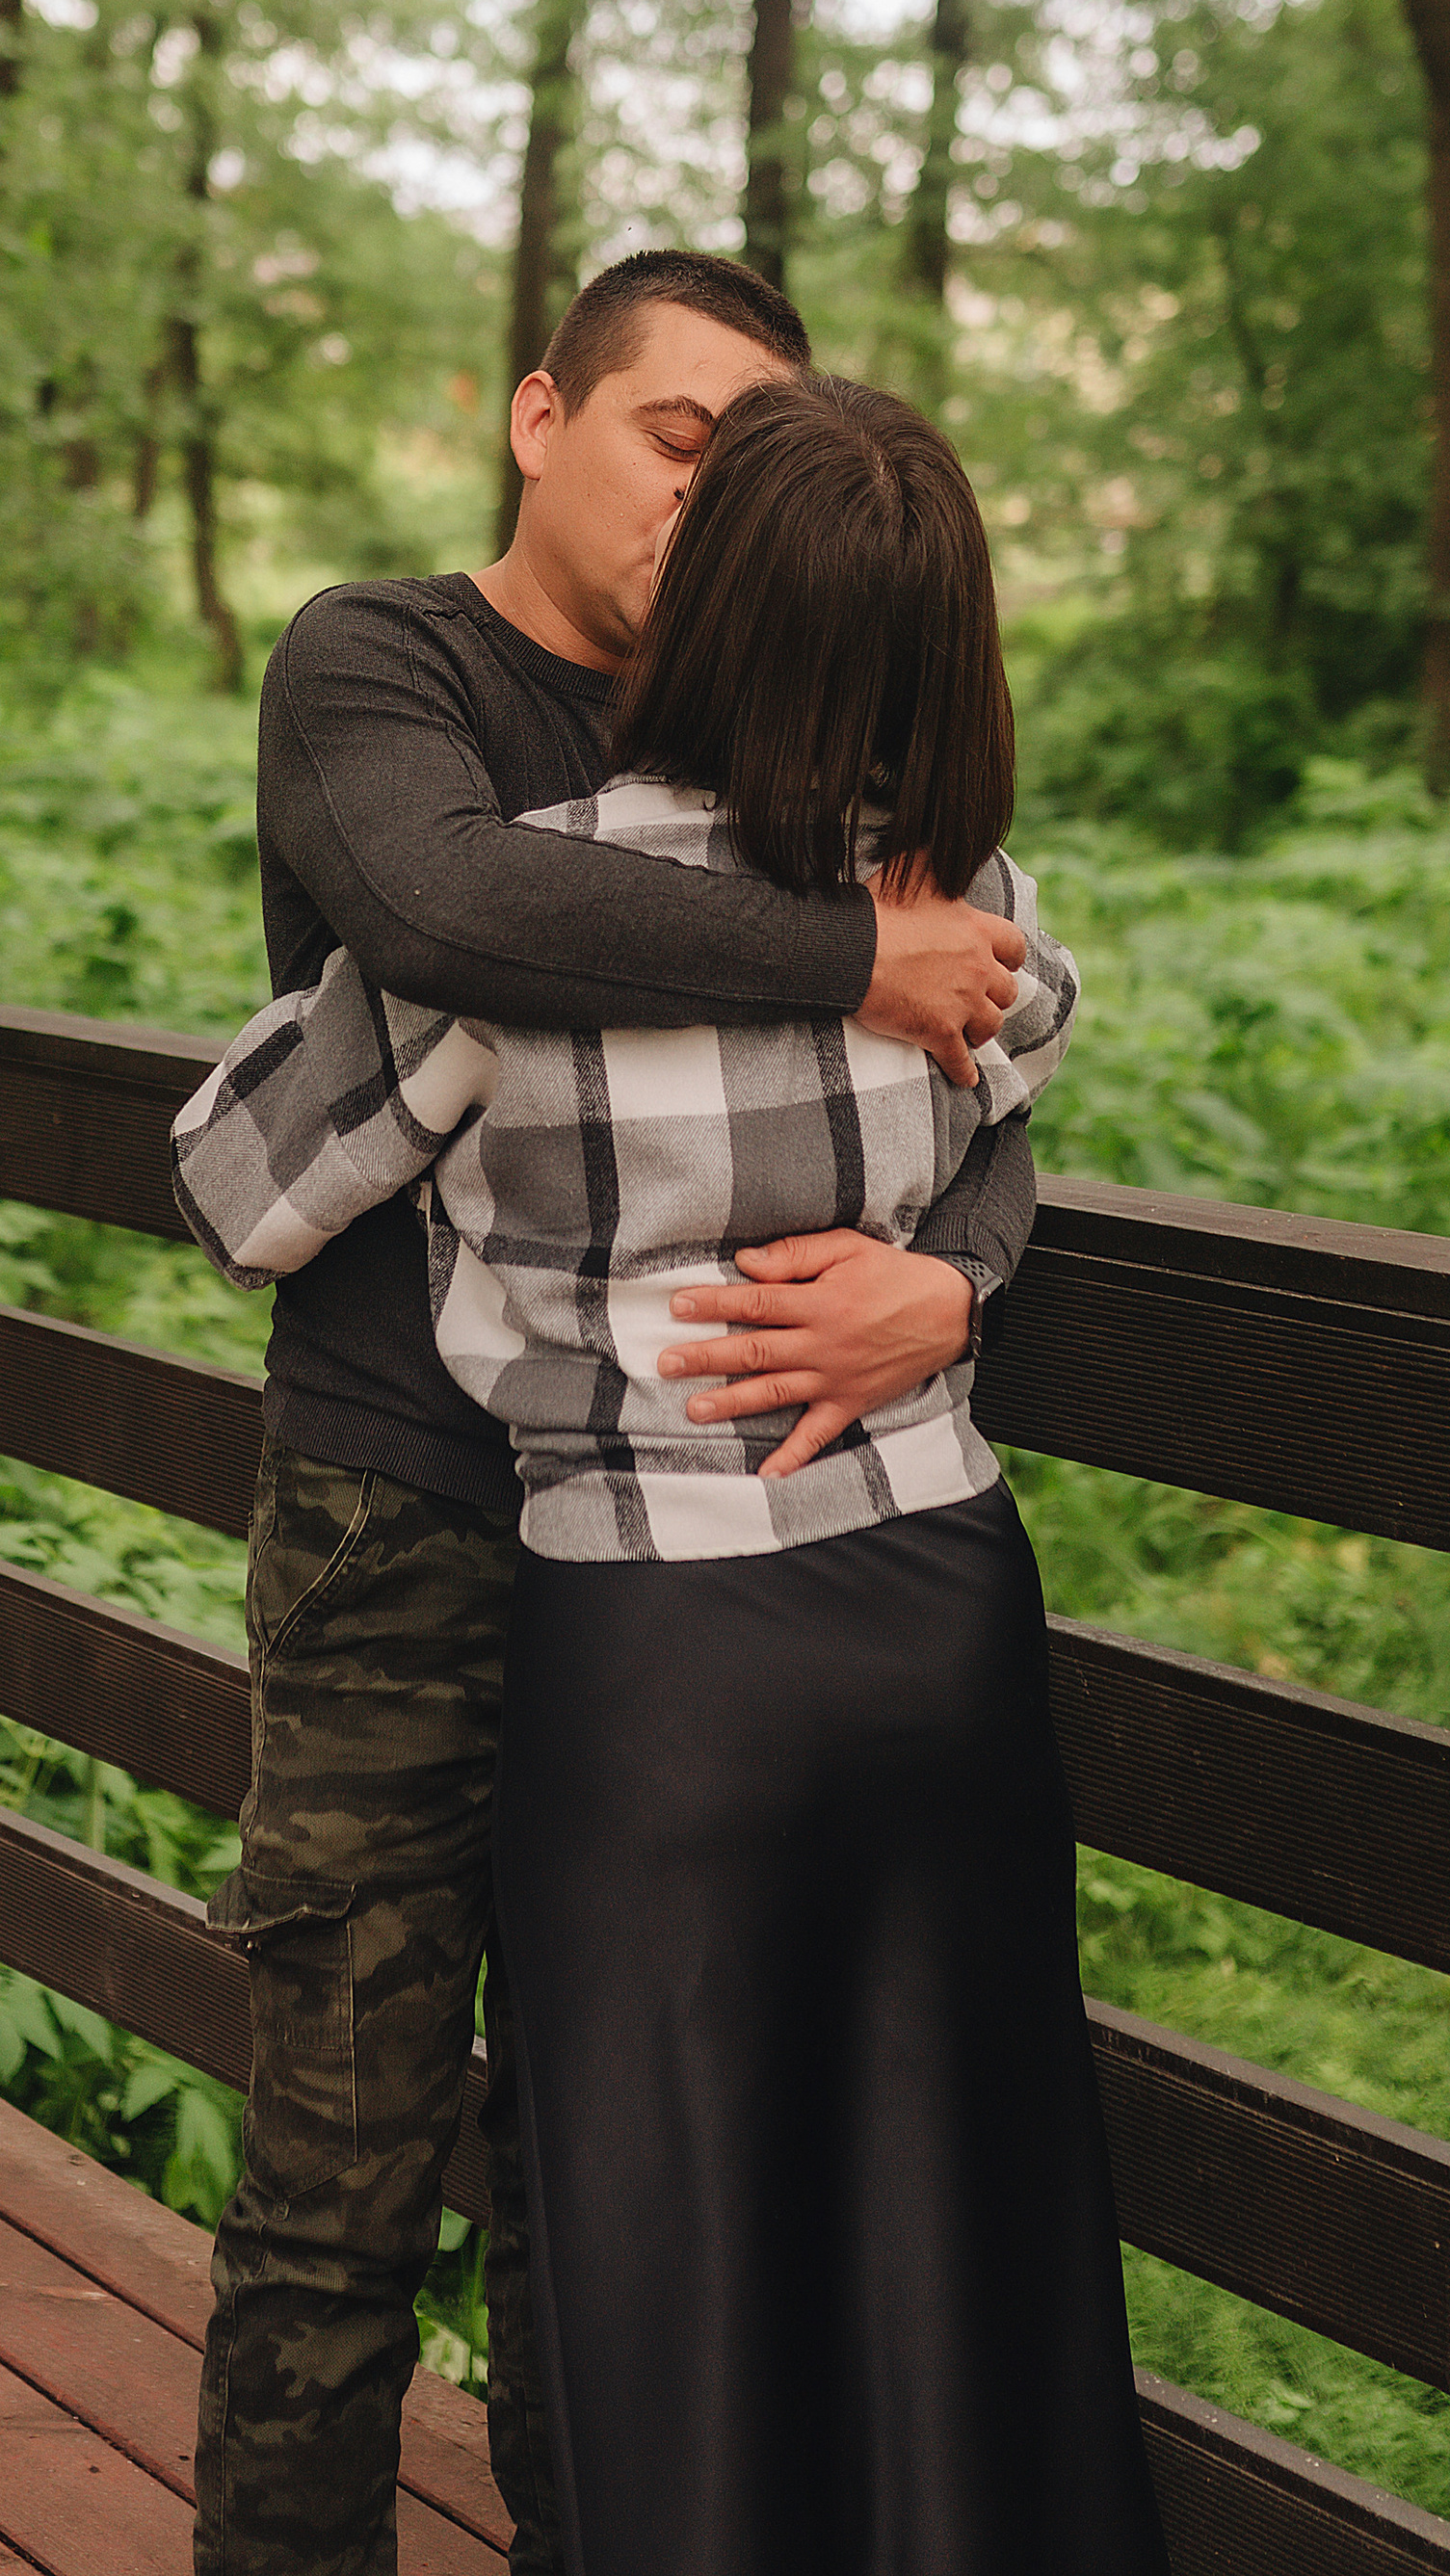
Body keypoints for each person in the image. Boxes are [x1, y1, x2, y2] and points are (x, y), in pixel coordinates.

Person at [177, 374, 1169, 2576]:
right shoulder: (979, 915)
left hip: (657, 1643)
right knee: (948, 2198)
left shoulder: (525, 936)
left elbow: (237, 1184)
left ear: (712, 600)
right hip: (938, 1609)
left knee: (664, 2228)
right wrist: (948, 1270)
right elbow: (1022, 1074)